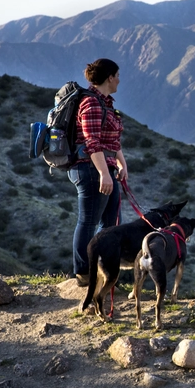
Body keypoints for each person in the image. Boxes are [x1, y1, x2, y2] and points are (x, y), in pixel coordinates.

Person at [70, 58, 128, 285]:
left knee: (111, 223)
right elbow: (92, 142)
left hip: (104, 168)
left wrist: (121, 164)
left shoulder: (105, 103)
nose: (119, 80)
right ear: (110, 77)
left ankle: (104, 271)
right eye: (118, 76)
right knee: (88, 222)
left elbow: (111, 140)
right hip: (90, 169)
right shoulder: (92, 104)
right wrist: (104, 173)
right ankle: (84, 272)